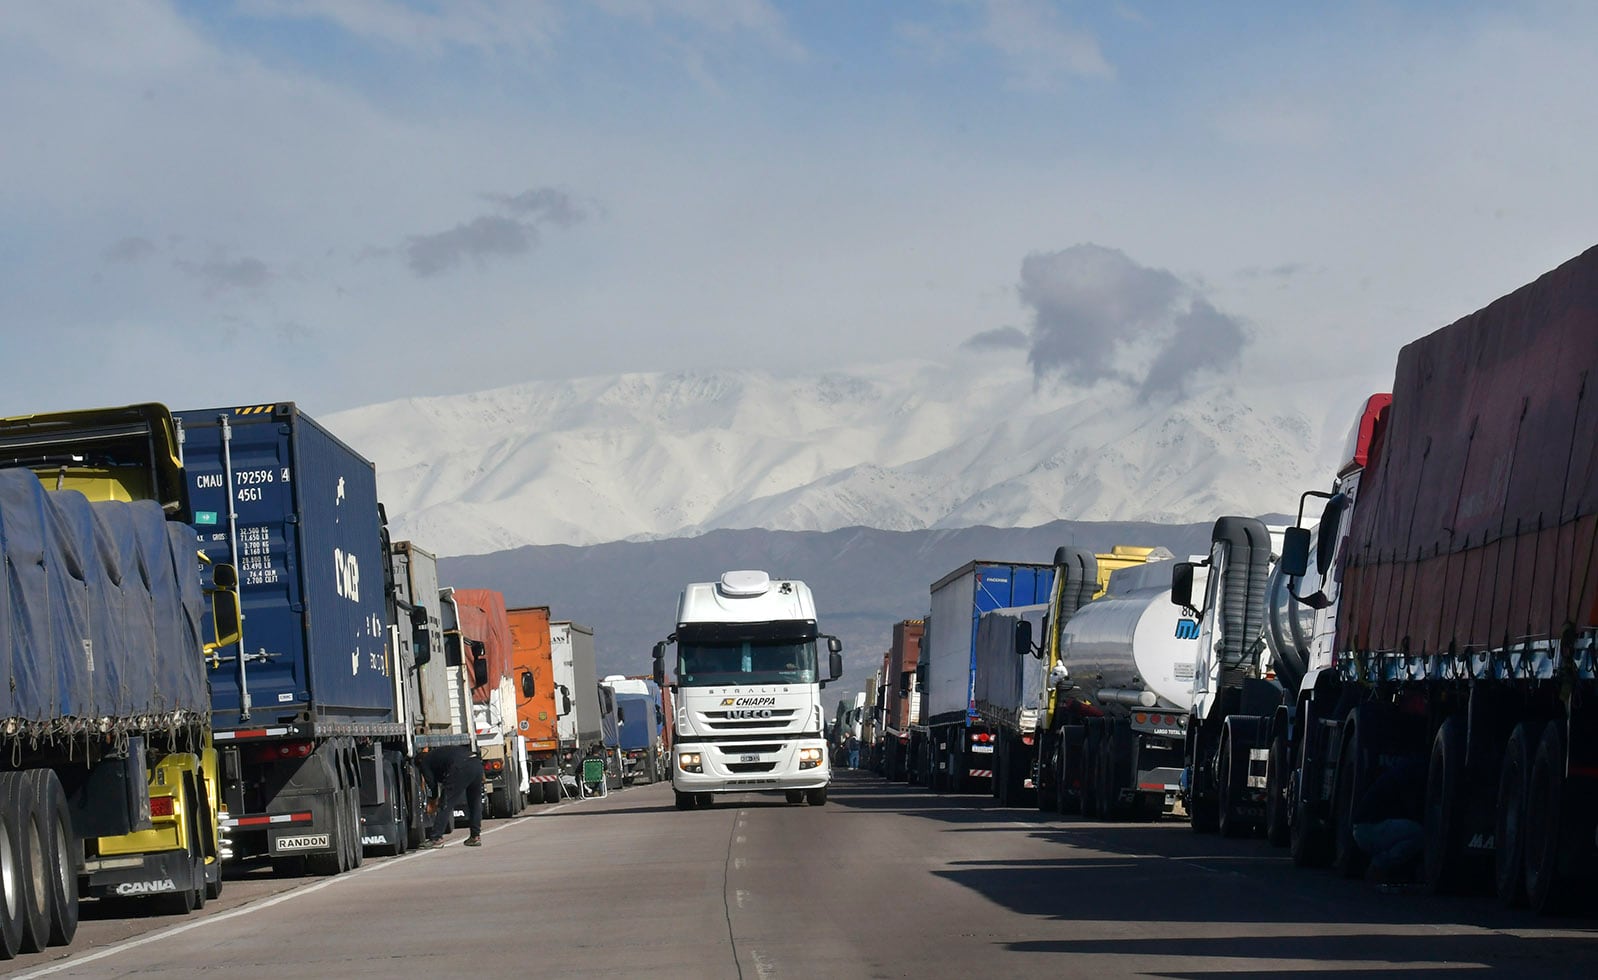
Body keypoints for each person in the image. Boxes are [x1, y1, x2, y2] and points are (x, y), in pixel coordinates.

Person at [1351, 754, 1426, 884]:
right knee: (1419, 834)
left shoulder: (1398, 774)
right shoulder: (1408, 778)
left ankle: (1384, 869)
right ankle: (1378, 865)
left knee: (1409, 831)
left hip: (1363, 828)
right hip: (1369, 829)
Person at [421, 745, 484, 848]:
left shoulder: (425, 762)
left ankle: (436, 838)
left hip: (461, 767)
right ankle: (475, 836)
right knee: (475, 802)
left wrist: (433, 801)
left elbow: (431, 784)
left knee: (446, 803)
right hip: (476, 763)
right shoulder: (437, 754)